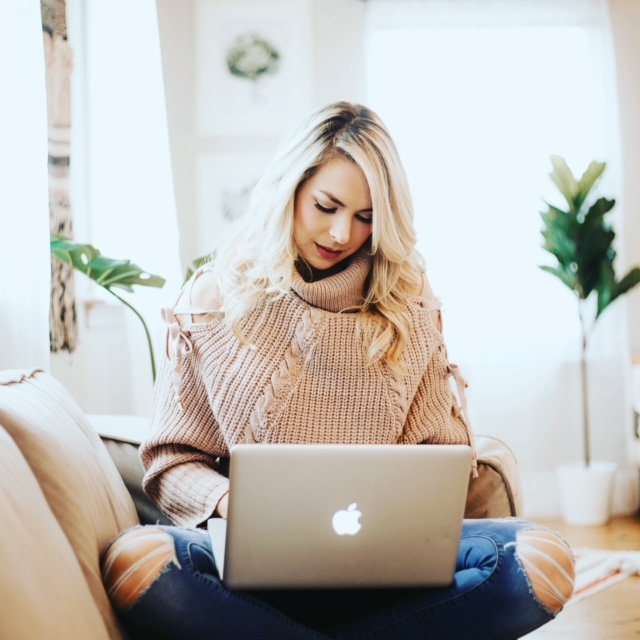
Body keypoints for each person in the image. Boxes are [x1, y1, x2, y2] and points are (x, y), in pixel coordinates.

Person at [101, 101, 575, 640]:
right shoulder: (213, 299)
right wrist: (239, 505)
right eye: (326, 206)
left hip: (388, 568)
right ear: (290, 189)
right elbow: (170, 460)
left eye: (367, 217)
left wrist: (402, 504)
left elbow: (444, 455)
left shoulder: (409, 299)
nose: (341, 233)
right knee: (138, 562)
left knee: (541, 561)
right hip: (254, 573)